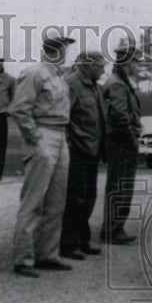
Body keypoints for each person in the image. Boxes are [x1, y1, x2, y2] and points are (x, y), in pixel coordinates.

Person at [8, 27, 75, 277]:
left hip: (60, 134)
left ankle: (47, 254)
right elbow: (19, 109)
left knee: (56, 200)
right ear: (49, 50)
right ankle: (23, 259)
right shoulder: (34, 73)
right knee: (34, 199)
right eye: (60, 47)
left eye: (64, 47)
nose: (63, 52)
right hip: (43, 134)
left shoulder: (59, 76)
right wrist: (35, 139)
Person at [60, 50, 107, 259]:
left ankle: (82, 240)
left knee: (88, 197)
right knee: (75, 198)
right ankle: (68, 244)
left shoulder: (96, 87)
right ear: (88, 66)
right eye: (100, 66)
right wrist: (71, 143)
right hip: (78, 149)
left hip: (92, 149)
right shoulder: (71, 84)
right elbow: (63, 117)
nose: (103, 70)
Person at [100, 36, 142, 245]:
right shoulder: (117, 84)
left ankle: (114, 228)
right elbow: (119, 115)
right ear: (127, 63)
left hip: (122, 141)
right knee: (119, 186)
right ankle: (112, 230)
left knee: (120, 185)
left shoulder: (121, 83)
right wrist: (131, 139)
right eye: (136, 61)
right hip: (121, 142)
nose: (138, 66)